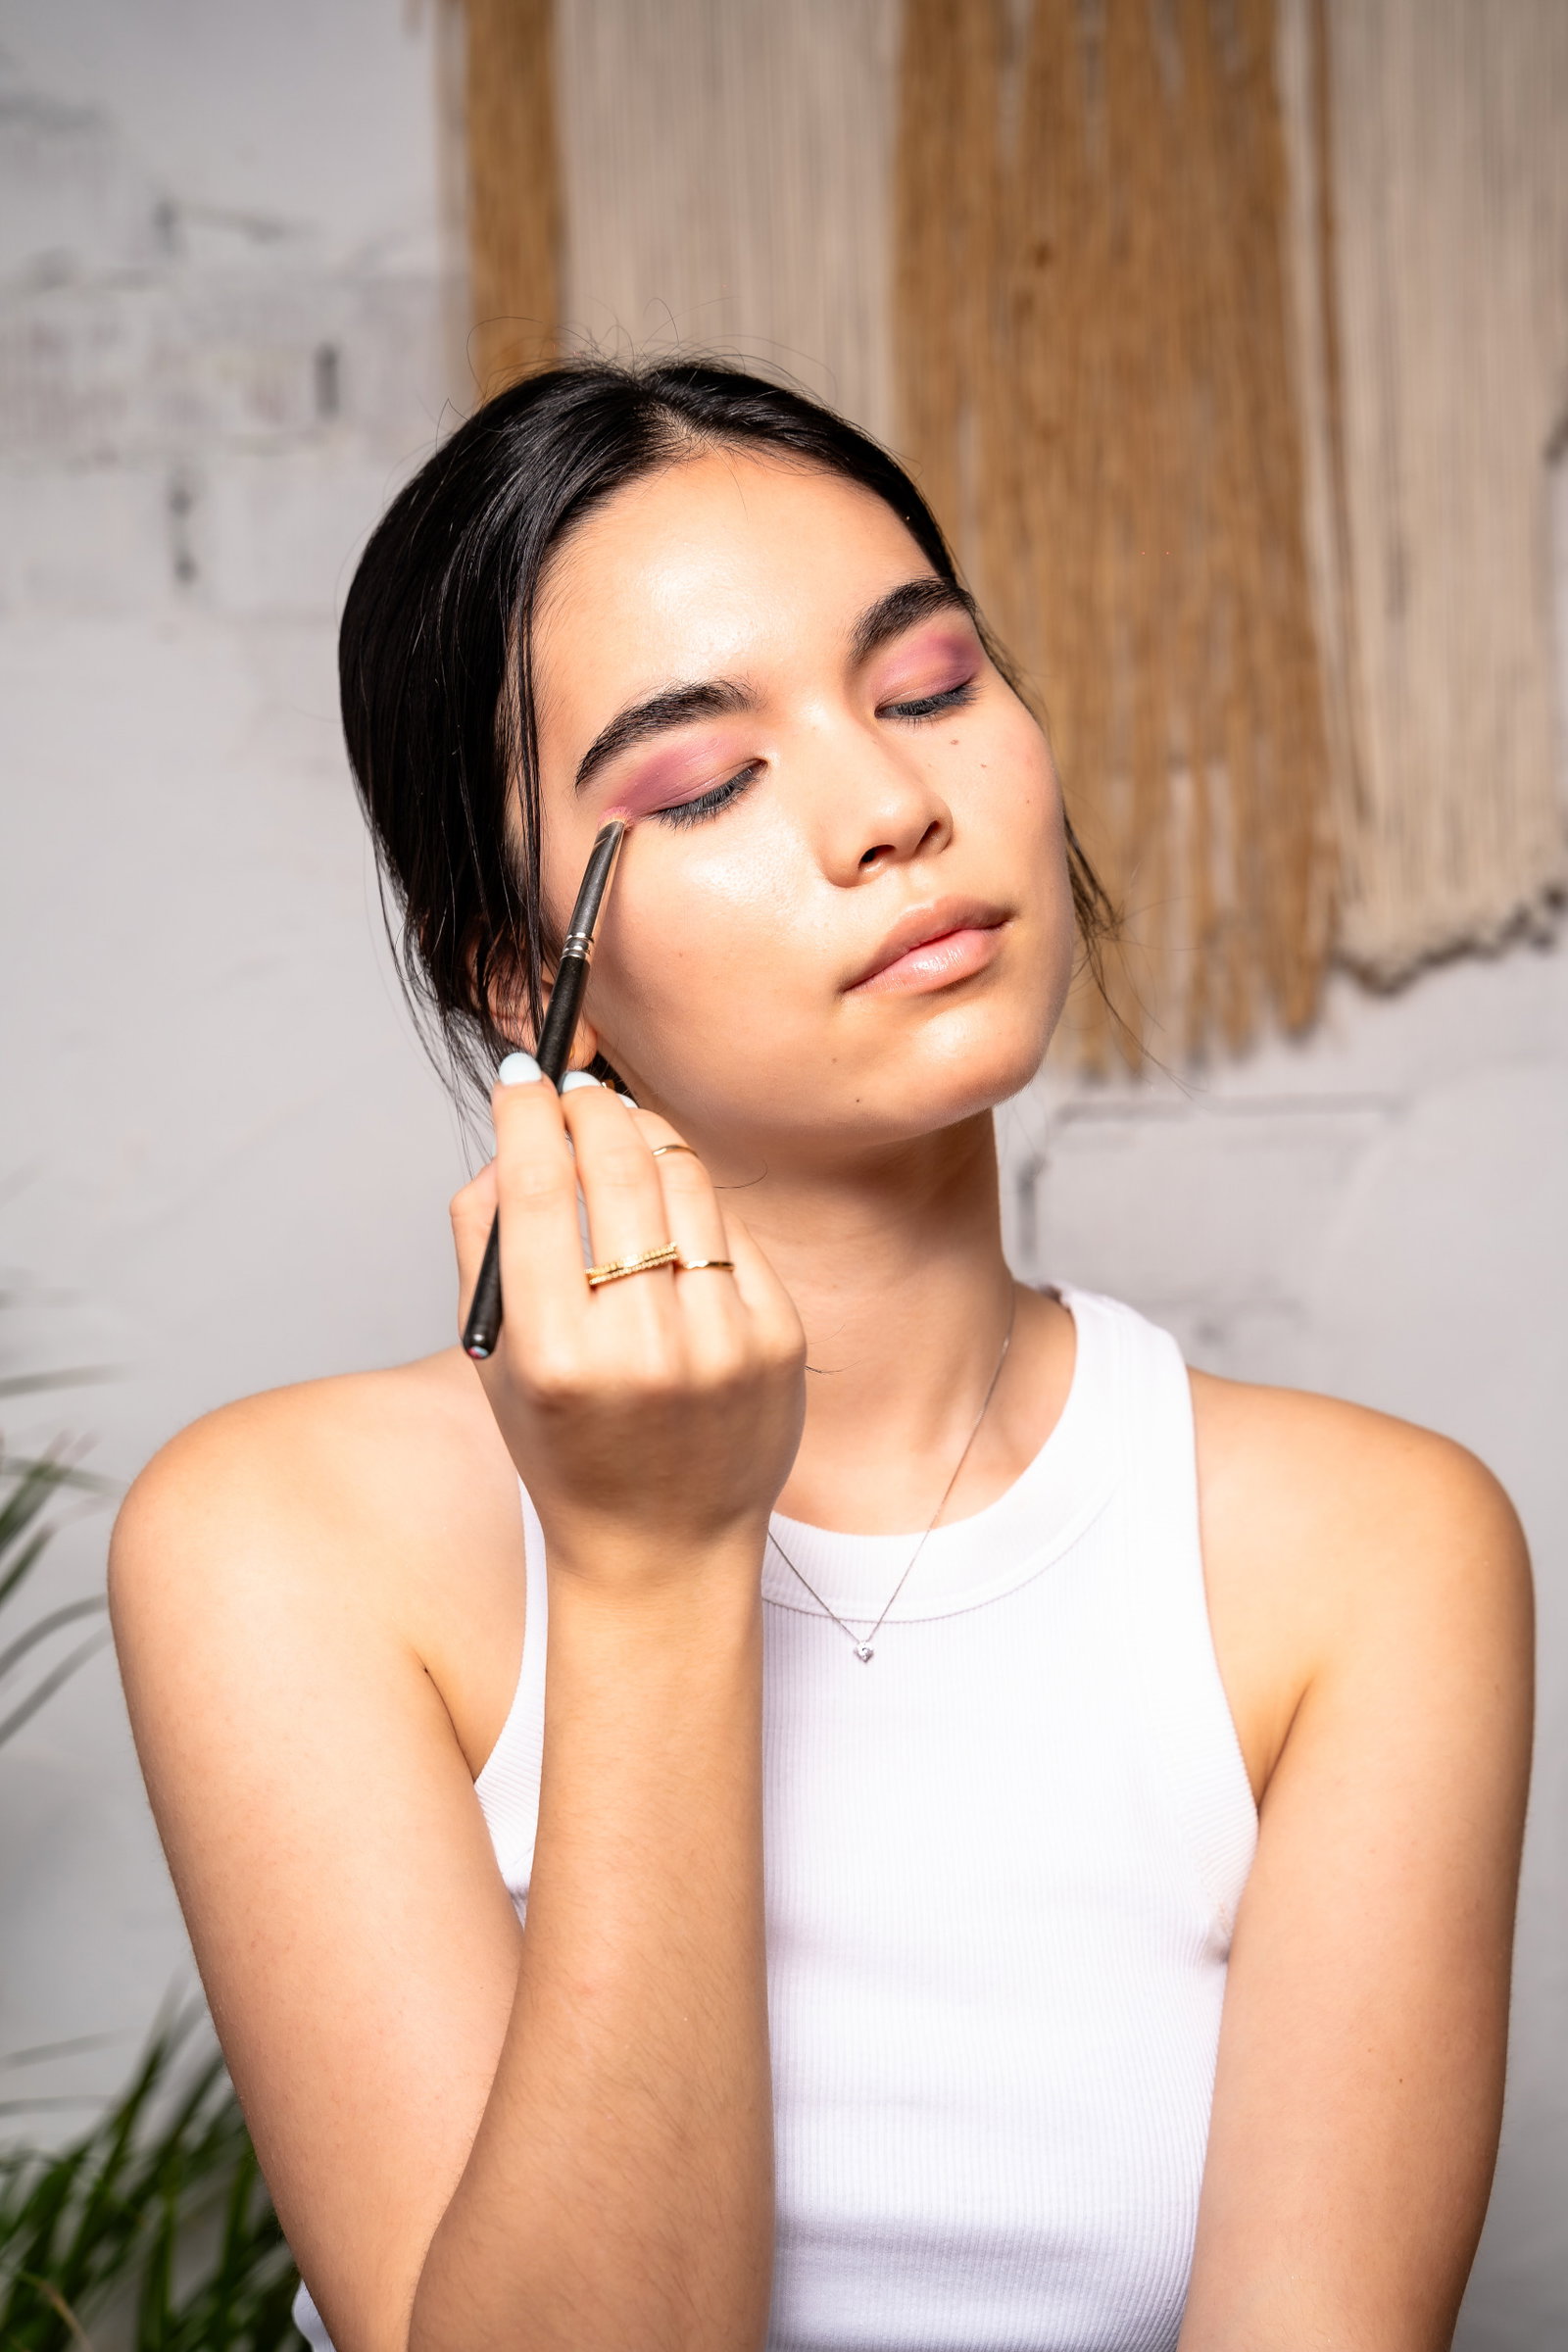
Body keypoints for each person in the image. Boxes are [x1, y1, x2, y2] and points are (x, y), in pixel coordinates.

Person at [109, 362, 1532, 2352]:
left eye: (929, 680)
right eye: (698, 783)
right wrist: (650, 1566)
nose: (890, 809)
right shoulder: (279, 1543)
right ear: (527, 974)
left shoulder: (1371, 1553)